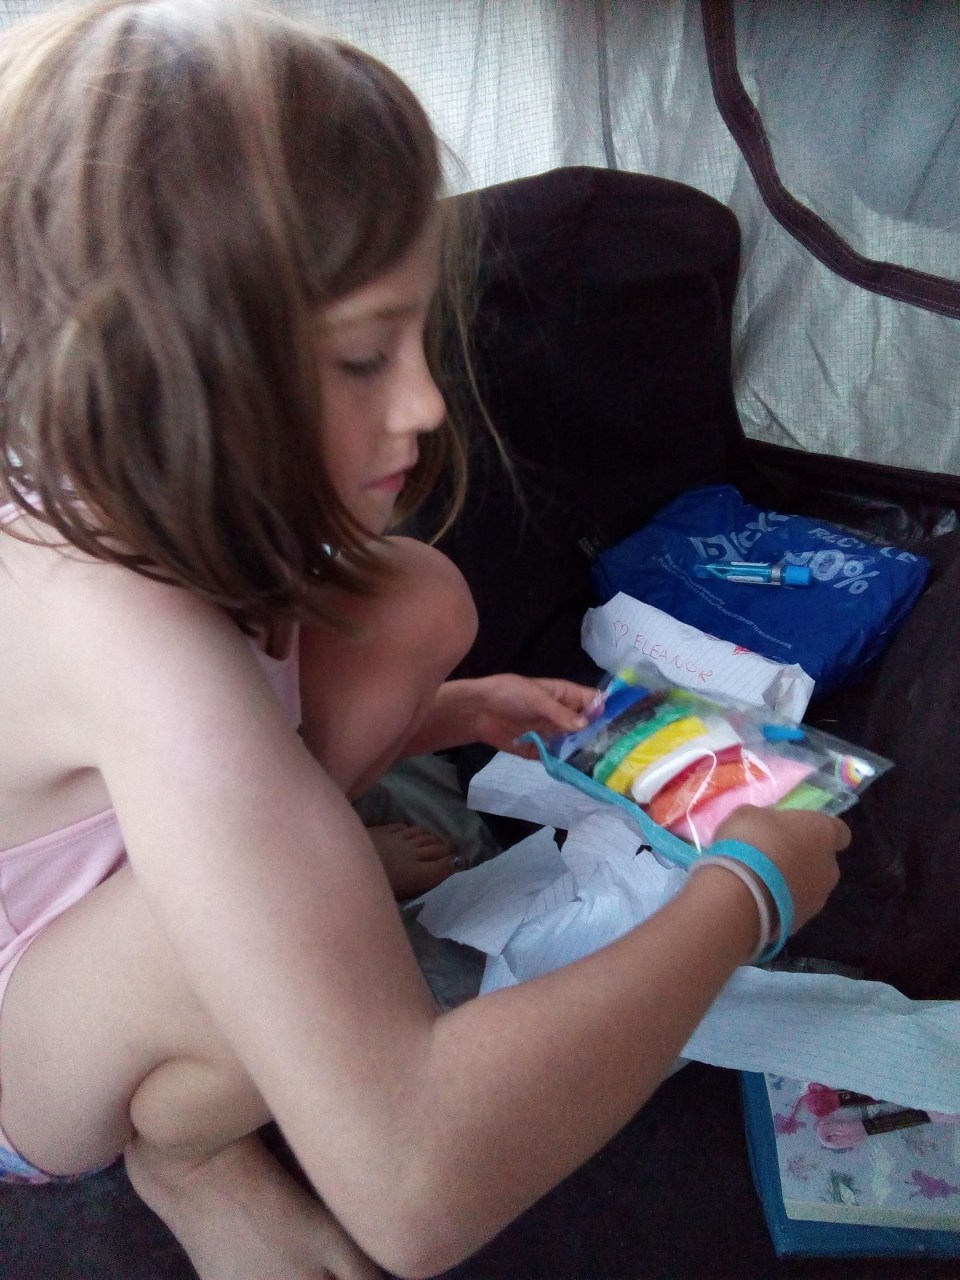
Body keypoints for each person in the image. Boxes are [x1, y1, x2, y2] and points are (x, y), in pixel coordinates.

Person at [0, 2, 848, 1278]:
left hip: (137, 831)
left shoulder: (119, 462)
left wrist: (450, 709)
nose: (427, 402)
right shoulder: (135, 648)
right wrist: (747, 892)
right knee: (236, 946)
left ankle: (289, 866)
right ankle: (185, 1148)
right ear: (159, 379)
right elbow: (417, 1184)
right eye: (361, 357)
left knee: (415, 599)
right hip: (26, 1036)